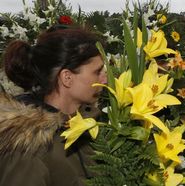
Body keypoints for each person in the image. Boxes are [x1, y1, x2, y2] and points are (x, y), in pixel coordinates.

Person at [0, 28, 107, 185]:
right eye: (97, 72)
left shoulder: (87, 123)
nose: (104, 80)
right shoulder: (28, 147)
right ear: (67, 78)